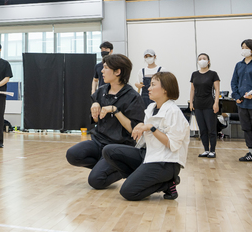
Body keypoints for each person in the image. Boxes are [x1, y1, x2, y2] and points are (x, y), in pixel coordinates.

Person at [102, 71, 190, 201]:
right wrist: (141, 126)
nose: (148, 88)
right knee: (109, 151)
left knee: (127, 192)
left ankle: (167, 183)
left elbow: (173, 144)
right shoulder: (151, 107)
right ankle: (145, 180)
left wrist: (150, 128)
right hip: (149, 155)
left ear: (165, 89)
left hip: (166, 162)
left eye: (153, 85)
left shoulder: (174, 112)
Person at [66, 54, 145, 189]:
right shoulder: (101, 91)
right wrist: (95, 106)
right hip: (99, 141)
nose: (102, 71)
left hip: (117, 147)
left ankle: (125, 169)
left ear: (118, 72)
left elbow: (133, 130)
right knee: (72, 155)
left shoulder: (133, 97)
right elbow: (96, 119)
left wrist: (115, 110)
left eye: (105, 68)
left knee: (96, 181)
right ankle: (104, 166)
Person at [189, 53, 220, 158]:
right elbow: (192, 89)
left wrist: (216, 103)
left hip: (209, 104)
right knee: (202, 129)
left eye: (204, 58)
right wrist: (191, 102)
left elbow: (217, 90)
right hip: (198, 104)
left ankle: (212, 150)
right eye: (200, 59)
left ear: (208, 61)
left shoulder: (213, 74)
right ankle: (206, 150)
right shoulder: (194, 74)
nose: (202, 60)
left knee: (211, 128)